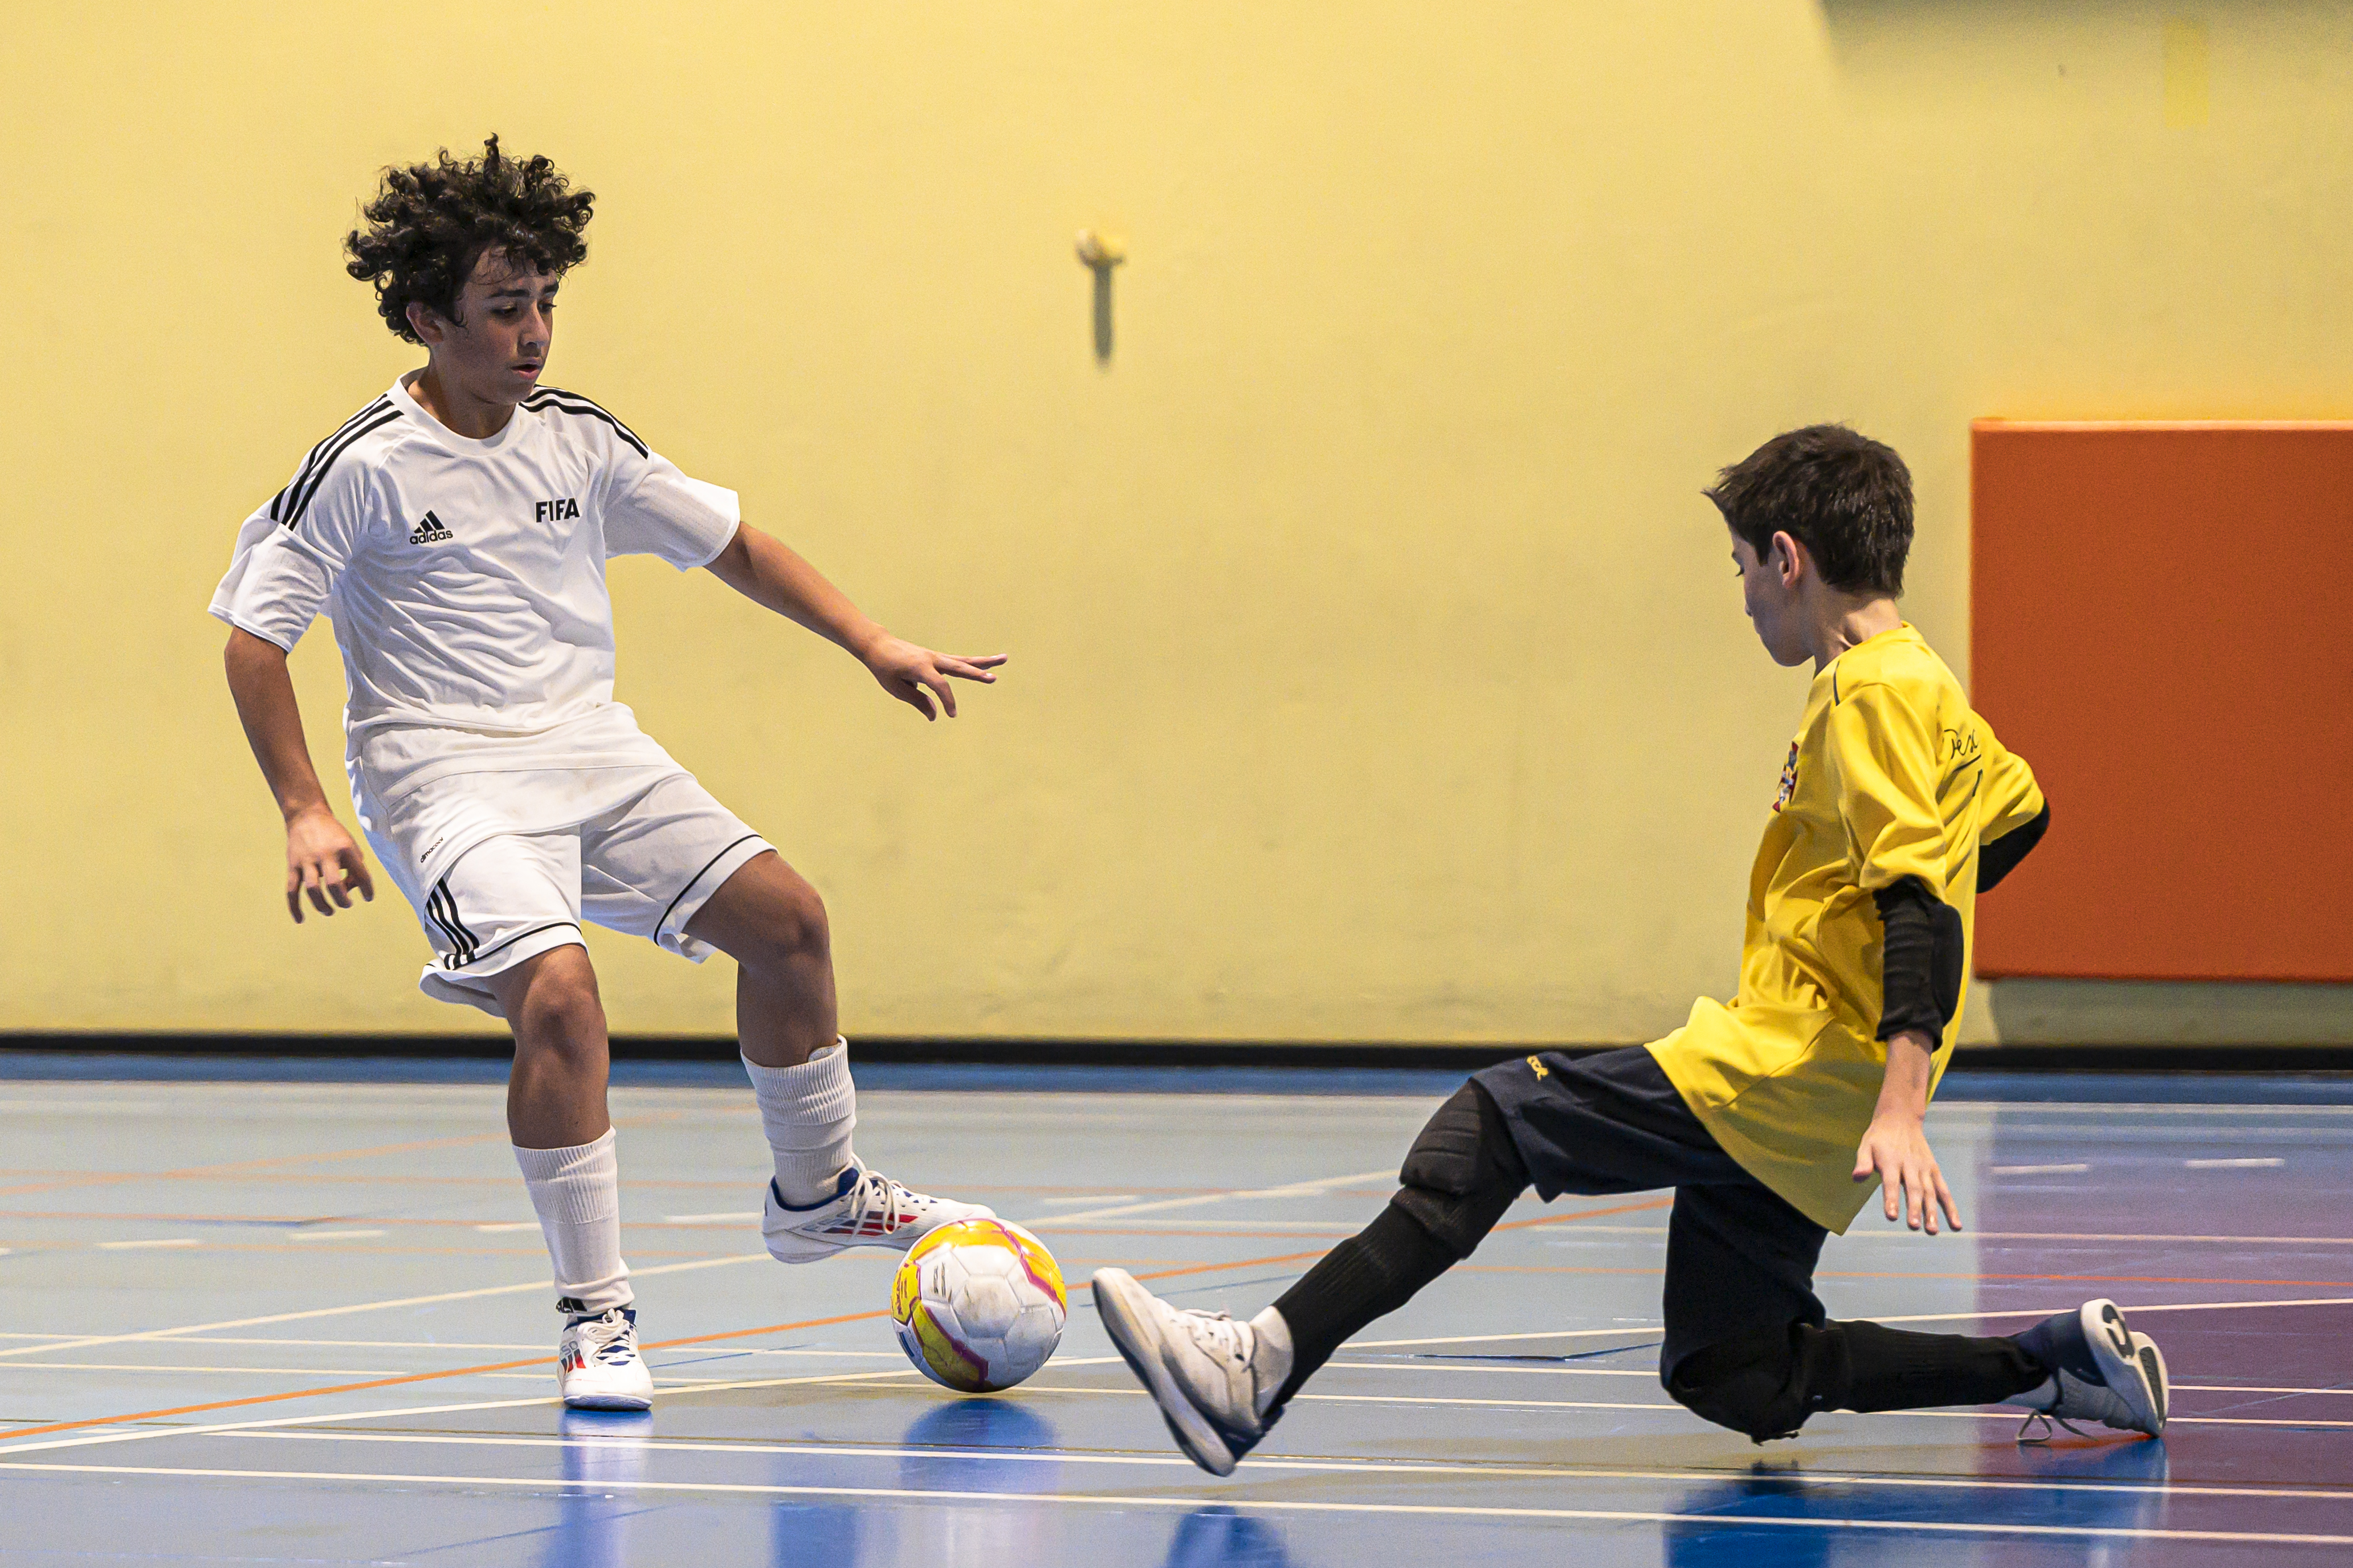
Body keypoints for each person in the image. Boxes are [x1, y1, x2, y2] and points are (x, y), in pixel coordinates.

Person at [1093, 424, 2169, 1475]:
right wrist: (1875, 962)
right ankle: (2050, 1368)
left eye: (1743, 568)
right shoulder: (1920, 680)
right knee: (1731, 1368)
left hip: (1791, 1065)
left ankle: (1256, 1367)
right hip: (1815, 1072)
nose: (1743, 595)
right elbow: (2015, 820)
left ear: (1787, 560)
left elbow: (1918, 901)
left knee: (1498, 1120)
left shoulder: (1870, 697)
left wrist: (1895, 1095)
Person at [213, 137, 1004, 1410]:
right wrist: (305, 807)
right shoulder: (361, 465)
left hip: (594, 750)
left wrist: (870, 638)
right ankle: (596, 1319)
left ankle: (821, 1195)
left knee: (791, 922)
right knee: (564, 999)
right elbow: (256, 642)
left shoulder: (577, 440)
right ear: (427, 318)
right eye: (504, 308)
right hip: (442, 780)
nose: (534, 335)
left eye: (545, 304)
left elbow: (733, 542)